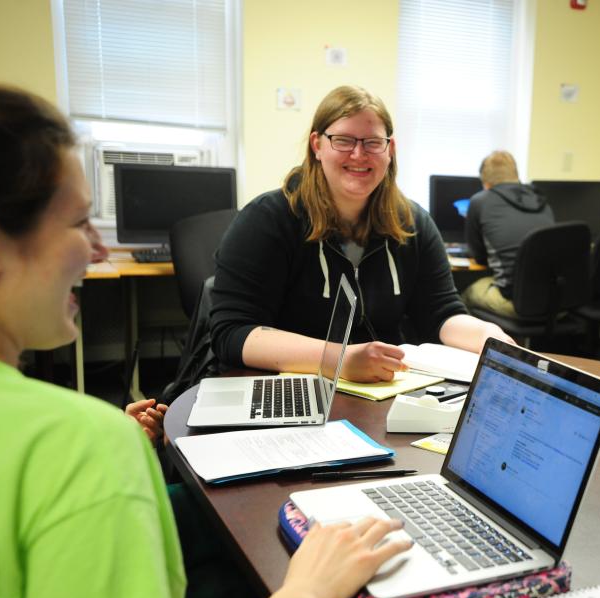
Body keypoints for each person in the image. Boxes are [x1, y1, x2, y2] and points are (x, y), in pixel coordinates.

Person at [0, 83, 411, 598]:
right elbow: (232, 330)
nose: (99, 250)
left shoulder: (65, 443)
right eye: (80, 221)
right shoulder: (78, 446)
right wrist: (305, 595)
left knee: (237, 529)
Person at [211, 86, 512, 384]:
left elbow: (441, 313)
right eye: (342, 140)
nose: (358, 154)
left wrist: (487, 335)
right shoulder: (268, 218)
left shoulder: (412, 222)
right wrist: (338, 359)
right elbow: (233, 332)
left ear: (390, 150)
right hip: (281, 388)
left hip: (376, 389)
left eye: (372, 142)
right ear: (317, 145)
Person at [462, 150, 555, 316]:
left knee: (464, 294)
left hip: (515, 302)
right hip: (556, 302)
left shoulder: (480, 200)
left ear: (486, 183)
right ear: (516, 176)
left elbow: (480, 257)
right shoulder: (542, 201)